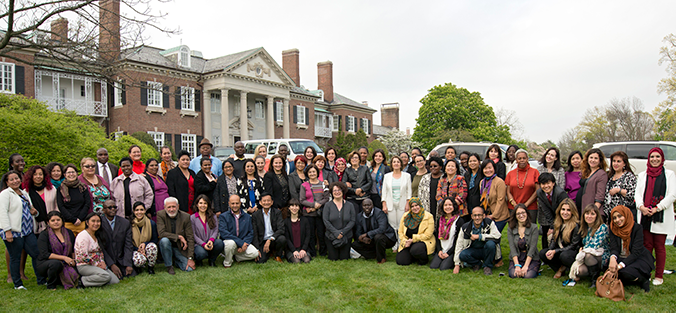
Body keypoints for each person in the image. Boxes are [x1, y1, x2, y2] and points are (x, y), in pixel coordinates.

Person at [634, 147, 676, 286]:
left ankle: (659, 275)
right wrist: (641, 207)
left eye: (657, 157)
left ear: (662, 159)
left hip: (660, 215)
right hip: (645, 215)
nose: (654, 159)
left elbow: (672, 195)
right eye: (652, 157)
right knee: (647, 246)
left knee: (659, 246)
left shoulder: (669, 174)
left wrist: (657, 208)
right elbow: (638, 194)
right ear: (648, 159)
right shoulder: (642, 175)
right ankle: (647, 273)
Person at [1, 170, 45, 289]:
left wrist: (35, 213)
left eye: (17, 178)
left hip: (27, 230)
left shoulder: (23, 193)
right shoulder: (5, 194)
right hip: (13, 231)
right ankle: (18, 284)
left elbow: (29, 209)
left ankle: (41, 279)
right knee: (16, 257)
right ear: (7, 182)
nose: (15, 181)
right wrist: (7, 231)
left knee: (36, 253)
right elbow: (2, 213)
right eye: (12, 179)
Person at [607, 205, 654, 292]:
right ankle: (628, 279)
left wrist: (620, 265)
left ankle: (643, 279)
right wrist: (613, 258)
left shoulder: (637, 228)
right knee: (607, 268)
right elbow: (614, 248)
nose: (617, 220)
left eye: (620, 216)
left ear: (626, 215)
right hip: (621, 257)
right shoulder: (613, 228)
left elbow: (636, 252)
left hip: (637, 258)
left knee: (625, 273)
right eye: (614, 218)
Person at [568, 204, 609, 287]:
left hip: (602, 255)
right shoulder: (585, 228)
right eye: (587, 214)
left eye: (592, 214)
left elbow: (595, 245)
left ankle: (595, 280)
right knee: (579, 271)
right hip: (588, 255)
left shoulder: (602, 227)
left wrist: (583, 250)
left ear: (597, 216)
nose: (589, 216)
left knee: (588, 255)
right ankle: (593, 272)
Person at [539, 198, 581, 279]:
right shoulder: (558, 222)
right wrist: (550, 250)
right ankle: (560, 268)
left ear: (573, 212)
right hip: (559, 250)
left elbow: (573, 245)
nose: (565, 212)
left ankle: (567, 268)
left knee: (564, 256)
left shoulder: (575, 226)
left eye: (568, 210)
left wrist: (555, 251)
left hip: (571, 253)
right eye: (563, 209)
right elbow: (553, 240)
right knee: (543, 253)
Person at [36, 211, 79, 289]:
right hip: (46, 262)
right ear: (48, 222)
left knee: (78, 266)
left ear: (62, 221)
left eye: (58, 220)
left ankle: (65, 280)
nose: (56, 222)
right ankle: (51, 285)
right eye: (53, 220)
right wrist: (64, 258)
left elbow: (73, 249)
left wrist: (74, 260)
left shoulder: (68, 232)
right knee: (56, 264)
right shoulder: (44, 235)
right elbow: (45, 254)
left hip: (66, 261)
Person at [74, 212, 119, 287]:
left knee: (115, 281)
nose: (96, 223)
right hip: (84, 265)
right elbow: (83, 256)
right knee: (106, 276)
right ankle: (82, 281)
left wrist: (102, 262)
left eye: (98, 221)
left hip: (97, 264)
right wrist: (97, 264)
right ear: (87, 223)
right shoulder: (83, 236)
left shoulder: (96, 235)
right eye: (93, 221)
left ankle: (97, 280)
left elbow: (100, 252)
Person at [453, 206, 501, 275]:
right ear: (471, 216)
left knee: (491, 244)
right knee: (463, 255)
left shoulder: (489, 223)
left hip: (486, 250)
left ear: (484, 216)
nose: (477, 218)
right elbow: (459, 245)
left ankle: (487, 266)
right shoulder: (465, 228)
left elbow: (497, 236)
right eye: (475, 215)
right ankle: (477, 263)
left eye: (479, 215)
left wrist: (480, 236)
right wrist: (457, 265)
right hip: (474, 251)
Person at [157, 197, 195, 274]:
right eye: (169, 207)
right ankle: (169, 266)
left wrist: (190, 258)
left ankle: (175, 261)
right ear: (164, 208)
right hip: (166, 247)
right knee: (164, 240)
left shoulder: (185, 217)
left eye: (174, 206)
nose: (171, 209)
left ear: (178, 206)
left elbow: (190, 237)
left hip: (179, 248)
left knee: (189, 269)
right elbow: (161, 233)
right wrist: (179, 237)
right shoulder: (160, 215)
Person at [352, 198, 396, 264]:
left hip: (386, 237)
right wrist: (362, 239)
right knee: (355, 245)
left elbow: (382, 229)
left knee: (378, 237)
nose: (367, 207)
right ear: (362, 206)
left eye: (369, 205)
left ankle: (381, 258)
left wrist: (367, 234)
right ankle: (374, 254)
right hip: (370, 239)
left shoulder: (379, 213)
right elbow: (358, 232)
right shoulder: (359, 216)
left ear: (372, 205)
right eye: (364, 205)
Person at [99, 199, 135, 279]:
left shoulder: (125, 223)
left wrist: (128, 264)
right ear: (104, 210)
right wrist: (111, 264)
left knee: (130, 274)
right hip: (106, 260)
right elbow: (100, 247)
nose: (113, 209)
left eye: (114, 207)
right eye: (110, 207)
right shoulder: (99, 223)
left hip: (121, 259)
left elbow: (128, 244)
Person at [219, 195, 259, 267]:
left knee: (255, 253)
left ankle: (236, 257)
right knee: (230, 243)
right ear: (229, 203)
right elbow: (224, 233)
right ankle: (227, 262)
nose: (235, 205)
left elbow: (250, 232)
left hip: (243, 243)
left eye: (237, 203)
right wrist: (240, 243)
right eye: (233, 203)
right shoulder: (223, 216)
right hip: (230, 243)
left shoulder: (247, 217)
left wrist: (245, 244)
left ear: (240, 203)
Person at [299, 165, 330, 257]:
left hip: (320, 213)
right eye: (310, 172)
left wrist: (318, 205)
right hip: (308, 213)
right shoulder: (304, 185)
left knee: (321, 233)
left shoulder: (323, 184)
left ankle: (323, 252)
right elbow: (302, 200)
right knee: (311, 234)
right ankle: (312, 253)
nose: (312, 174)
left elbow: (327, 198)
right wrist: (313, 205)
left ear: (317, 172)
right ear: (307, 174)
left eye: (314, 171)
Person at [396, 197, 435, 266]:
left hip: (422, 241)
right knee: (401, 261)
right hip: (408, 242)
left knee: (416, 249)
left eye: (416, 205)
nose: (415, 208)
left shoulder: (429, 216)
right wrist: (405, 241)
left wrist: (413, 239)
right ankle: (414, 257)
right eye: (412, 206)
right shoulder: (406, 216)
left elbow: (428, 235)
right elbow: (400, 232)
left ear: (420, 205)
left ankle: (423, 260)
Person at [323, 182, 356, 261]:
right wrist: (336, 233)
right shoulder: (327, 205)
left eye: (339, 190)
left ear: (343, 191)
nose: (337, 192)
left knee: (344, 258)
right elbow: (326, 221)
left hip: (346, 236)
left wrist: (342, 232)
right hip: (331, 236)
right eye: (334, 190)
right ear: (331, 192)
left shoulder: (350, 205)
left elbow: (352, 221)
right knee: (333, 258)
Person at [536, 172, 569, 250]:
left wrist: (554, 227)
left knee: (558, 235)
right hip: (550, 215)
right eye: (543, 184)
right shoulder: (540, 193)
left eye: (548, 183)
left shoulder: (560, 193)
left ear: (553, 183)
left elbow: (563, 211)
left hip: (563, 215)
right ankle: (545, 253)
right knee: (545, 232)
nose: (546, 186)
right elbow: (546, 210)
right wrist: (551, 225)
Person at [382, 156, 412, 240]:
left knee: (401, 224)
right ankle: (394, 243)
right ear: (391, 164)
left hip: (402, 203)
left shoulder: (407, 176)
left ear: (401, 164)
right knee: (392, 225)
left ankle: (401, 242)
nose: (396, 163)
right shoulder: (387, 176)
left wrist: (408, 203)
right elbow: (384, 192)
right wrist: (384, 204)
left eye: (398, 162)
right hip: (390, 203)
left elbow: (408, 191)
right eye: (394, 162)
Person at [506, 149, 540, 223]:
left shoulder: (535, 172)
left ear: (527, 159)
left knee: (530, 230)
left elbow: (537, 190)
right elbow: (508, 192)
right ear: (516, 160)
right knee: (514, 229)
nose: (522, 160)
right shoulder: (510, 174)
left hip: (530, 207)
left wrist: (526, 205)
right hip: (513, 207)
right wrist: (515, 204)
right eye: (519, 158)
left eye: (524, 158)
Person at [507, 204, 540, 279]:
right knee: (513, 274)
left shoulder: (534, 227)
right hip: (517, 257)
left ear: (527, 214)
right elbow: (512, 248)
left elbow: (532, 248)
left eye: (523, 213)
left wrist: (525, 266)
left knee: (528, 275)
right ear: (515, 216)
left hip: (530, 258)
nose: (521, 215)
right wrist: (517, 265)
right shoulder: (510, 229)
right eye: (518, 214)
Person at [252, 193, 287, 263]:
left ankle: (277, 255)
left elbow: (281, 229)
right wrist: (256, 249)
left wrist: (270, 240)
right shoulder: (255, 215)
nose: (266, 203)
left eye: (268, 201)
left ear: (272, 202)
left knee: (282, 239)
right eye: (264, 201)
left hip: (273, 239)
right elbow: (255, 233)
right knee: (260, 261)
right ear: (260, 202)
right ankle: (269, 253)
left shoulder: (277, 213)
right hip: (262, 241)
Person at [57, 164, 91, 236]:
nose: (71, 174)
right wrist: (73, 219)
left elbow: (87, 203)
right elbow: (61, 206)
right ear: (65, 175)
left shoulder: (83, 187)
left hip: (82, 222)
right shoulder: (60, 189)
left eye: (73, 172)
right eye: (68, 172)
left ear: (77, 173)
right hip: (68, 223)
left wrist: (79, 218)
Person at [22, 165, 58, 234]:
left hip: (52, 224)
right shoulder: (26, 192)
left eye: (40, 174)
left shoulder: (51, 189)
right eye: (35, 174)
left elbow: (57, 205)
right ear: (31, 177)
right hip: (34, 226)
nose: (38, 176)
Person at [190, 195, 223, 267]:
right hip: (199, 244)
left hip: (210, 242)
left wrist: (211, 240)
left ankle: (212, 260)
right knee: (201, 253)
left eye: (205, 203)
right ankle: (199, 260)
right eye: (200, 203)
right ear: (197, 204)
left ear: (208, 205)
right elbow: (193, 234)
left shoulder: (213, 216)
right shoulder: (192, 218)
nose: (203, 205)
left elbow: (216, 230)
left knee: (219, 243)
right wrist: (203, 244)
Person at [430, 197, 461, 271]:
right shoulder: (440, 220)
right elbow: (437, 237)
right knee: (433, 266)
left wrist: (449, 253)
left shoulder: (459, 220)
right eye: (445, 205)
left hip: (452, 251)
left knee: (443, 268)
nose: (448, 207)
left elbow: (458, 240)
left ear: (454, 206)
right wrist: (439, 250)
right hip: (442, 249)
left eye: (450, 205)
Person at [604, 151, 637, 221]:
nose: (615, 163)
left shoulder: (629, 176)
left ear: (624, 163)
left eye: (619, 161)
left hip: (623, 215)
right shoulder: (610, 176)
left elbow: (633, 194)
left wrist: (618, 190)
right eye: (614, 161)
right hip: (611, 214)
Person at [480, 160, 509, 234]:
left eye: (490, 168)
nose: (488, 170)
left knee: (494, 238)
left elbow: (501, 200)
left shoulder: (499, 182)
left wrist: (493, 215)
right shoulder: (482, 182)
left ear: (494, 168)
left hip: (499, 216)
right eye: (485, 168)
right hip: (487, 214)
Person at [130, 202, 158, 274]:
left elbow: (155, 239)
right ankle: (139, 266)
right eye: (137, 210)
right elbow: (128, 242)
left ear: (145, 210)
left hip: (147, 248)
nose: (139, 212)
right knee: (138, 261)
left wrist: (145, 244)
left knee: (152, 247)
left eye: (141, 210)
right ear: (133, 211)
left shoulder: (151, 223)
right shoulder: (130, 224)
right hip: (135, 248)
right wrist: (138, 250)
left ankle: (150, 267)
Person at [578, 148, 608, 214]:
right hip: (582, 208)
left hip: (592, 212)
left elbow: (600, 196)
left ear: (600, 160)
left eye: (596, 158)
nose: (593, 160)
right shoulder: (586, 172)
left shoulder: (601, 174)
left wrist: (593, 212)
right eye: (591, 157)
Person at [284, 199, 311, 263]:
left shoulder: (305, 220)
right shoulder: (286, 222)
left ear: (299, 208)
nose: (294, 208)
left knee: (306, 260)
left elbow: (308, 236)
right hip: (291, 249)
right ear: (289, 208)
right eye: (292, 206)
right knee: (297, 261)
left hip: (303, 248)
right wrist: (294, 251)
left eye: (296, 206)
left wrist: (303, 249)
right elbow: (287, 238)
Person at [418, 157, 444, 221]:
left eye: (435, 166)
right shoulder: (425, 178)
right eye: (431, 166)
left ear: (440, 167)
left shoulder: (444, 178)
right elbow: (420, 193)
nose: (433, 168)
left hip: (440, 205)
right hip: (427, 206)